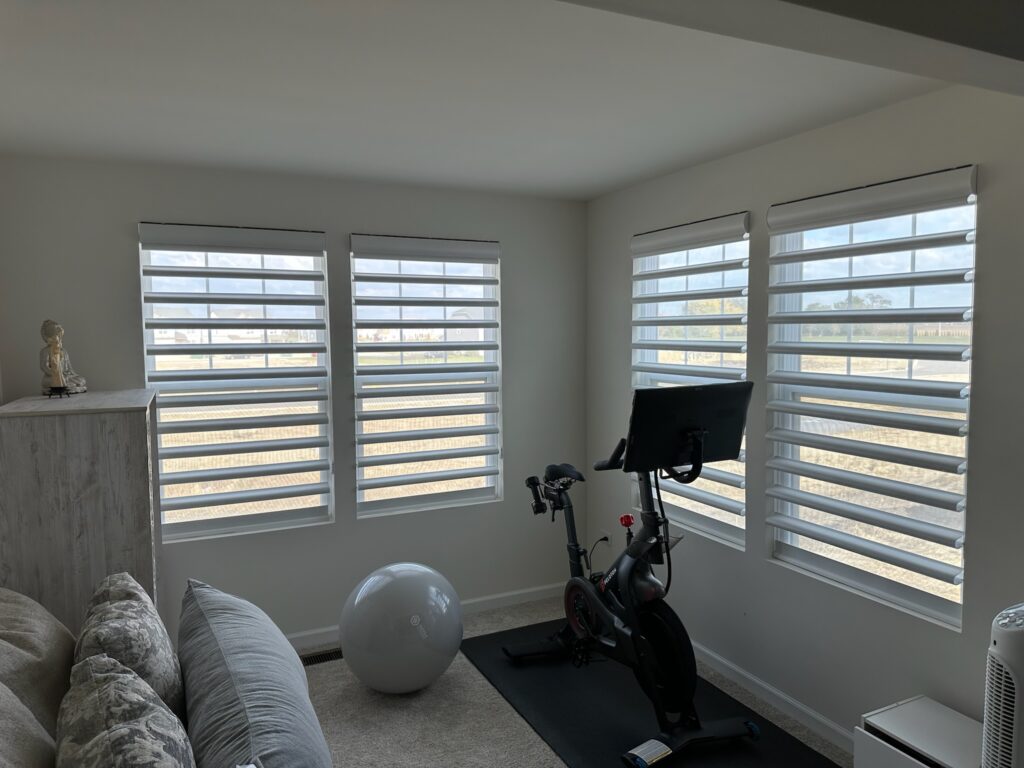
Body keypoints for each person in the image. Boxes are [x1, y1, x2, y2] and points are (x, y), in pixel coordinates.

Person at [39, 319, 87, 395]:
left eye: (60, 336)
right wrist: (56, 373)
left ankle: (67, 383)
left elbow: (69, 369)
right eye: (57, 336)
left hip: (65, 376)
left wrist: (66, 374)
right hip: (51, 377)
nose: (59, 339)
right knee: (49, 381)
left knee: (81, 380)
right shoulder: (45, 351)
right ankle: (64, 384)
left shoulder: (63, 351)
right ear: (50, 338)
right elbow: (44, 366)